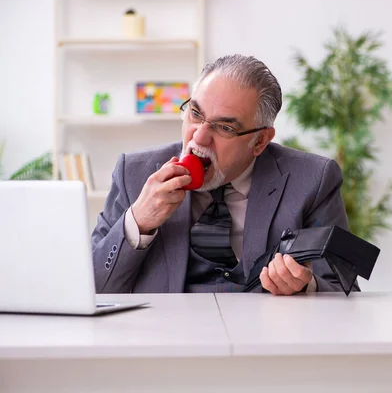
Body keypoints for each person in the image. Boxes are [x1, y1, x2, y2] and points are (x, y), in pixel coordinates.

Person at [91, 54, 355, 295]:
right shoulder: (134, 173)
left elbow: (344, 289)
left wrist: (306, 285)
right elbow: (93, 286)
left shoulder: (314, 180)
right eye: (195, 114)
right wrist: (138, 223)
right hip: (164, 339)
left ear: (260, 141)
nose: (200, 136)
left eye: (225, 128)